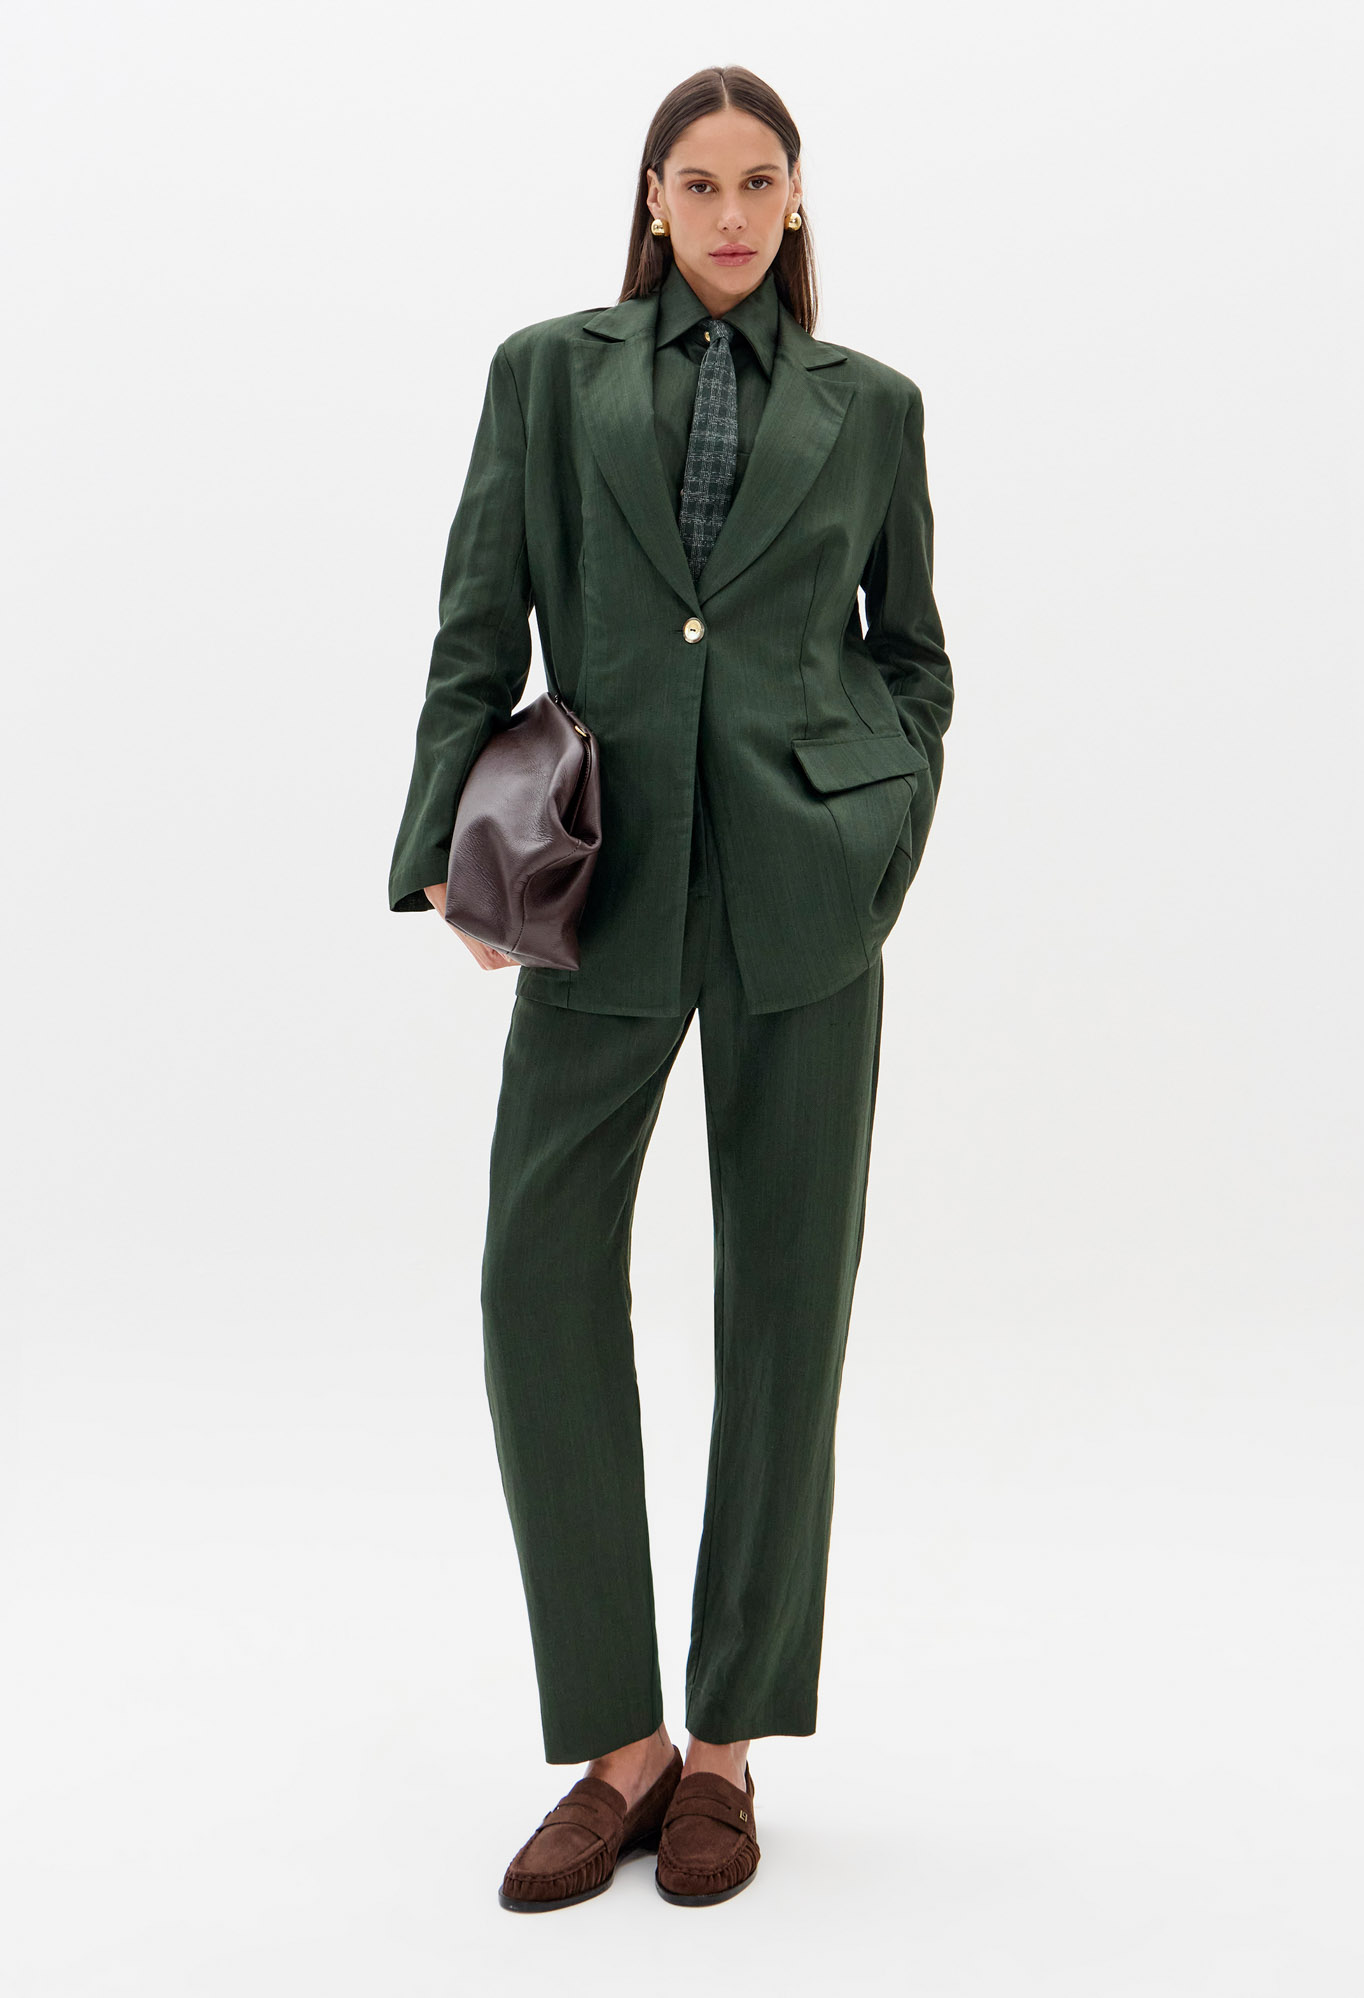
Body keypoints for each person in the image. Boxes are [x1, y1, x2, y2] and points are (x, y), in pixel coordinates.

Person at [387, 63, 954, 1911]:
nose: (728, 213)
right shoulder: (547, 376)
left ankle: (722, 1748)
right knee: (534, 1276)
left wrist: (876, 835)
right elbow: (476, 623)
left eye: (758, 182)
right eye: (696, 182)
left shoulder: (873, 408)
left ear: (796, 202)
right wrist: (448, 844)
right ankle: (616, 1740)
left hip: (804, 901)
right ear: (650, 198)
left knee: (786, 1308)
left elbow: (915, 657)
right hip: (601, 887)